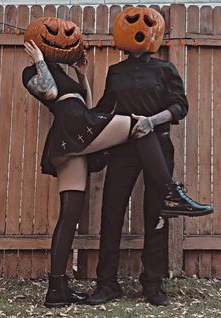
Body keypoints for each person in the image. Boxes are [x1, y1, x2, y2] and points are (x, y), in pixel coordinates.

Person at [22, 31, 212, 308]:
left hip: (125, 141)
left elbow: (89, 105)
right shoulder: (38, 70)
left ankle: (65, 288)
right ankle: (107, 281)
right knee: (113, 205)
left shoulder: (164, 68)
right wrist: (38, 60)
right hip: (98, 140)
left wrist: (82, 76)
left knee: (85, 215)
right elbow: (67, 98)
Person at [86, 7, 213, 307]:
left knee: (156, 215)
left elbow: (180, 106)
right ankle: (106, 283)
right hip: (123, 150)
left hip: (158, 146)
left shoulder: (165, 69)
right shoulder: (115, 72)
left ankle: (153, 284)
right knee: (112, 213)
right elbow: (107, 109)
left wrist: (151, 121)